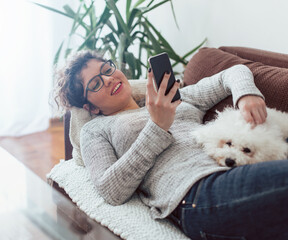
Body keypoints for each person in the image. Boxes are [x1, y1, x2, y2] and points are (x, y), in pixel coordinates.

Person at [54, 50, 288, 240]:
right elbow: (110, 190)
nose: (108, 78)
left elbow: (235, 72)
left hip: (235, 171)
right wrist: (157, 127)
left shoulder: (177, 98)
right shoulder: (95, 130)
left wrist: (246, 94)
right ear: (91, 108)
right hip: (195, 195)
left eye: (107, 69)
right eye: (95, 83)